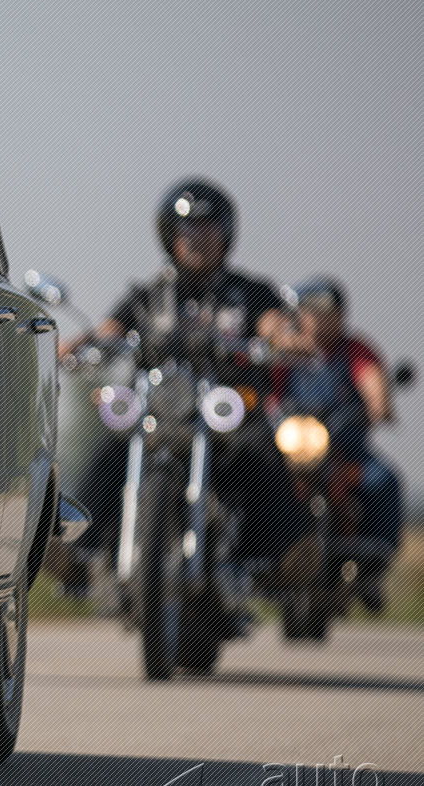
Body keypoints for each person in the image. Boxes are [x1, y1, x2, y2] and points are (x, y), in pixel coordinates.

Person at [65, 178, 306, 588]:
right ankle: (76, 551)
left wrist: (285, 337)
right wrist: (79, 344)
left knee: (261, 449)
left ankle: (281, 558)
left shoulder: (250, 292)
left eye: (207, 226)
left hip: (227, 415)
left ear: (225, 233)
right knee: (112, 448)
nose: (196, 236)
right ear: (169, 235)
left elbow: (273, 324)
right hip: (160, 412)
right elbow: (110, 330)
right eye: (186, 227)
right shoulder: (149, 295)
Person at [273, 276, 405, 610]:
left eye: (325, 312)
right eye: (310, 312)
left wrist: (379, 404)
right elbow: (266, 392)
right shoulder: (286, 353)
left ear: (340, 315)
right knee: (255, 479)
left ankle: (374, 564)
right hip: (292, 452)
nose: (317, 319)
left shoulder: (355, 351)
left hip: (344, 452)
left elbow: (372, 380)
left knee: (383, 481)